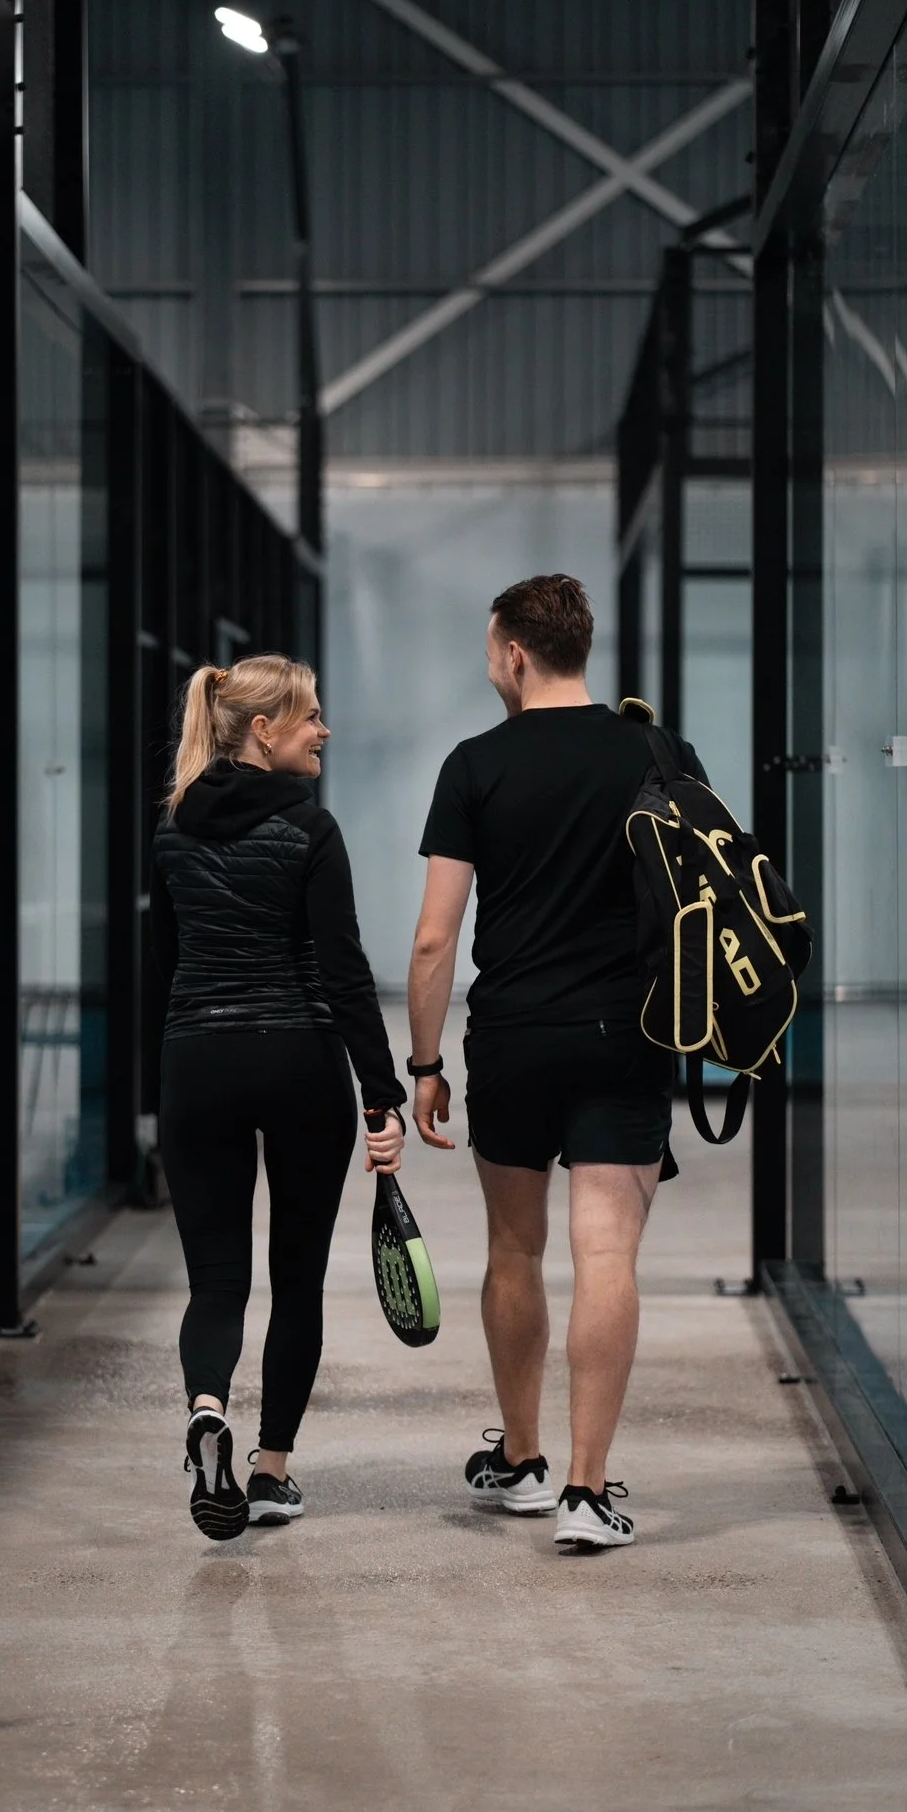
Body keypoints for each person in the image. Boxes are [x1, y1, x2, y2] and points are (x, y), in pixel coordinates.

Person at [405, 574, 702, 1550]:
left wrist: (423, 1060)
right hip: (629, 1030)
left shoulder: (473, 764)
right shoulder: (656, 752)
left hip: (513, 1035)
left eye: (490, 649)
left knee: (515, 1248)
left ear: (514, 653)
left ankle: (522, 1459)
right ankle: (586, 1488)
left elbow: (433, 943)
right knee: (606, 1251)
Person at [151, 654, 406, 1542]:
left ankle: (208, 1405)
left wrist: (169, 1076)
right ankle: (267, 1474)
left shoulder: (175, 827)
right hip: (299, 1062)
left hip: (199, 1060)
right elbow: (342, 970)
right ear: (263, 729)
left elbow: (164, 963)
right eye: (310, 719)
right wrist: (383, 1095)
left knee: (217, 1279)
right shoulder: (311, 827)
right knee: (295, 1281)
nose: (324, 732)